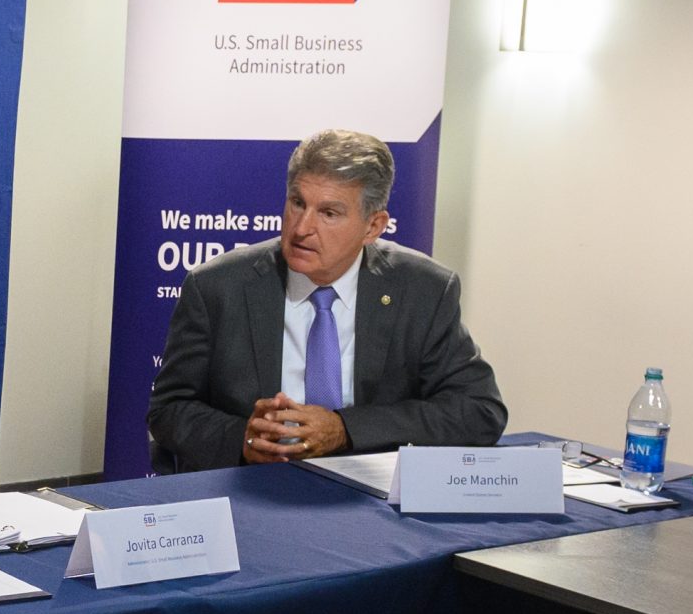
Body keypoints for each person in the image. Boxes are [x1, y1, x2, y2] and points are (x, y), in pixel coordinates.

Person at [146, 129, 506, 472]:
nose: (302, 228)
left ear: (373, 226)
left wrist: (345, 429)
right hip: (253, 488)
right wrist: (243, 439)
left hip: (370, 497)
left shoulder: (422, 290)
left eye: (329, 213)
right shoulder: (217, 287)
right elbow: (169, 408)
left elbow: (479, 410)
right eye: (297, 203)